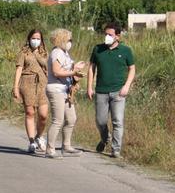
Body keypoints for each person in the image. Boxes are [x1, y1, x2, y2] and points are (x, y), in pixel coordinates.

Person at [87, 23, 136, 158]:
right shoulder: (98, 49)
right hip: (101, 91)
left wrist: (127, 86)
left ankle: (116, 150)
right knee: (100, 121)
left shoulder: (125, 51)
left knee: (118, 121)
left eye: (110, 35)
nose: (107, 37)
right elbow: (91, 68)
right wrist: (89, 87)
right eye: (106, 34)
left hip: (118, 92)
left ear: (118, 37)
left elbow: (132, 68)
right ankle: (105, 138)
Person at [45, 28, 86, 159]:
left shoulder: (65, 53)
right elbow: (57, 72)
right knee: (58, 120)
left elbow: (67, 69)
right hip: (56, 89)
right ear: (62, 40)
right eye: (69, 40)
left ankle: (66, 146)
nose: (71, 42)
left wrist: (76, 68)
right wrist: (74, 73)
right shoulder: (56, 53)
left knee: (71, 118)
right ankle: (50, 149)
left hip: (65, 89)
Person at [12, 29, 49, 153]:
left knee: (43, 115)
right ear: (29, 39)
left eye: (38, 38)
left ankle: (39, 136)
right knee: (30, 113)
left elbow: (48, 67)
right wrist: (15, 87)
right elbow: (19, 69)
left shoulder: (44, 53)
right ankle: (32, 141)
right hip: (27, 83)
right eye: (33, 38)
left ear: (41, 40)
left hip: (42, 84)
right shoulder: (24, 52)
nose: (35, 41)